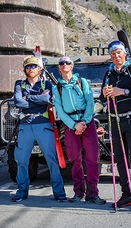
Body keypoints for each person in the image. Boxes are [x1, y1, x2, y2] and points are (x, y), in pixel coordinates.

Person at [100, 40, 131, 212]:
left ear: (125, 54)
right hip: (115, 120)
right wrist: (106, 94)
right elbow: (101, 98)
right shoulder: (108, 74)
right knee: (120, 160)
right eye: (113, 54)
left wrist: (123, 91)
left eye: (119, 53)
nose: (116, 56)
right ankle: (126, 195)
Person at [12, 55, 67, 202]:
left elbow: (46, 100)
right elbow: (18, 103)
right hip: (25, 126)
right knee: (22, 161)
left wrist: (27, 98)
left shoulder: (47, 84)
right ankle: (22, 191)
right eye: (28, 66)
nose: (31, 69)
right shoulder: (19, 84)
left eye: (34, 66)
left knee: (51, 159)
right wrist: (37, 99)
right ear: (25, 69)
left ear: (39, 69)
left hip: (43, 125)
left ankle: (59, 193)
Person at [52, 56, 106, 205]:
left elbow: (90, 102)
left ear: (72, 66)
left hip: (87, 122)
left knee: (93, 159)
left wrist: (83, 122)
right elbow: (60, 110)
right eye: (61, 63)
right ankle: (78, 192)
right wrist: (74, 125)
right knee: (75, 160)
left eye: (67, 63)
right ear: (59, 67)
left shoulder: (82, 82)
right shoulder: (57, 88)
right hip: (70, 125)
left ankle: (93, 193)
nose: (64, 65)